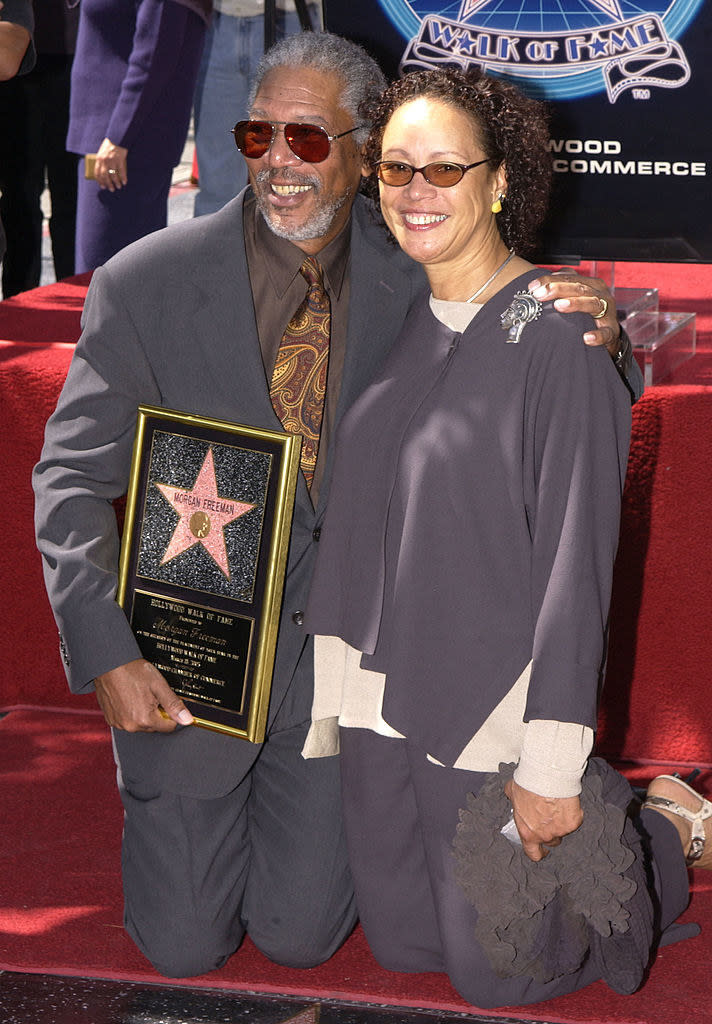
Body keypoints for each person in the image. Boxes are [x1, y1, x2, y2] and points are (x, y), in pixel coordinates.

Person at [34, 32, 640, 981]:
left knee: (303, 938)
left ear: (360, 155)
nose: (279, 160)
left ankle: (641, 837)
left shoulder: (414, 261)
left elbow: (517, 328)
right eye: (256, 133)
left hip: (339, 687)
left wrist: (604, 329)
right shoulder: (145, 283)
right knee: (186, 950)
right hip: (193, 677)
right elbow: (68, 479)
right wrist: (107, 650)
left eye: (310, 140)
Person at [302, 67, 711, 1009]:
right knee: (404, 947)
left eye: (444, 169)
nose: (415, 190)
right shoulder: (403, 306)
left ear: (497, 183)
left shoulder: (564, 338)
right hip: (373, 678)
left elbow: (578, 570)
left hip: (492, 697)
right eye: (395, 169)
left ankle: (651, 829)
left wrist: (552, 763)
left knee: (503, 980)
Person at [67, 0, 209, 274]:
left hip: (124, 144)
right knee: (106, 278)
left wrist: (120, 136)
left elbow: (155, 53)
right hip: (107, 138)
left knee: (103, 278)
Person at [192, 0, 320, 216]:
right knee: (217, 184)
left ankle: (296, 246)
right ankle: (218, 248)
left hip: (292, 19)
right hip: (220, 20)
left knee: (295, 168)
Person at [0, 0, 79, 298]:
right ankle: (18, 298)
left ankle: (76, 295)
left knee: (69, 194)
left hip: (74, 56)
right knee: (19, 193)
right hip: (16, 71)